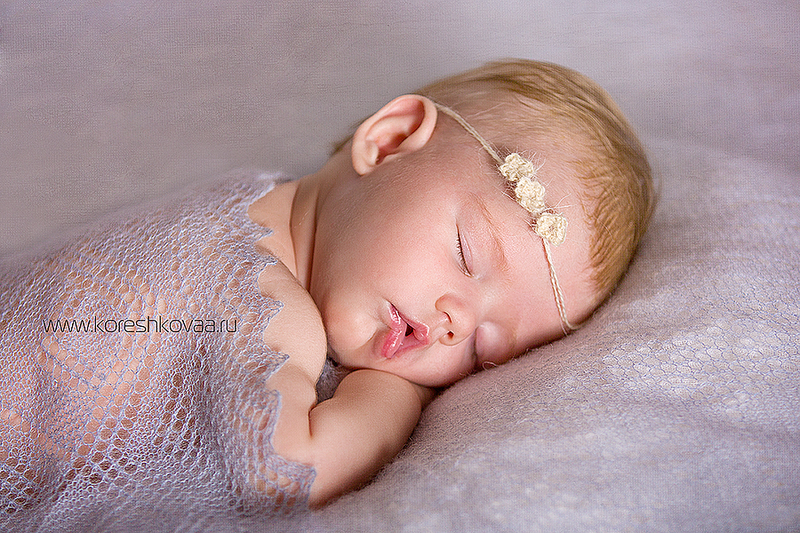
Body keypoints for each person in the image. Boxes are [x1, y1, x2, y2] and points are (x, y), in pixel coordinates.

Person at [0, 59, 653, 526]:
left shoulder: (248, 195)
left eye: (481, 348)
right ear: (389, 141)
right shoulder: (268, 302)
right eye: (467, 253)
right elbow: (285, 471)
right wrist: (392, 399)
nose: (455, 321)